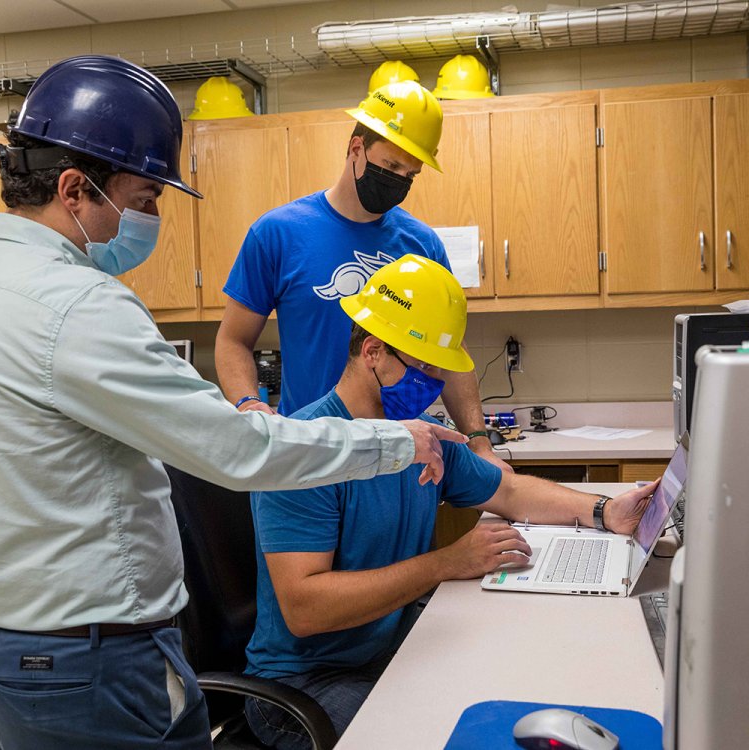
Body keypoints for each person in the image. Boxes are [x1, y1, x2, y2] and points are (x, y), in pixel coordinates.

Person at [0, 55, 464, 750]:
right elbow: (237, 451)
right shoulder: (78, 306)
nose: (150, 220)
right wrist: (399, 441)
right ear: (76, 188)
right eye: (143, 199)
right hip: (89, 665)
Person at [242, 255, 659, 748]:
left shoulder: (422, 437)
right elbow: (306, 610)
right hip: (303, 685)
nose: (431, 383)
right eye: (421, 366)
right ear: (373, 351)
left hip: (392, 645)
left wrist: (601, 510)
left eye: (437, 370)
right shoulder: (305, 451)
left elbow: (507, 490)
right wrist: (447, 562)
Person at [215, 80, 511, 473]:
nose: (399, 181)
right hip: (309, 453)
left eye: (411, 173)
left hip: (401, 454)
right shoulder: (278, 234)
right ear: (356, 148)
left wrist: (478, 441)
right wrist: (248, 405)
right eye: (391, 167)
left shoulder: (422, 245)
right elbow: (233, 339)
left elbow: (450, 355)